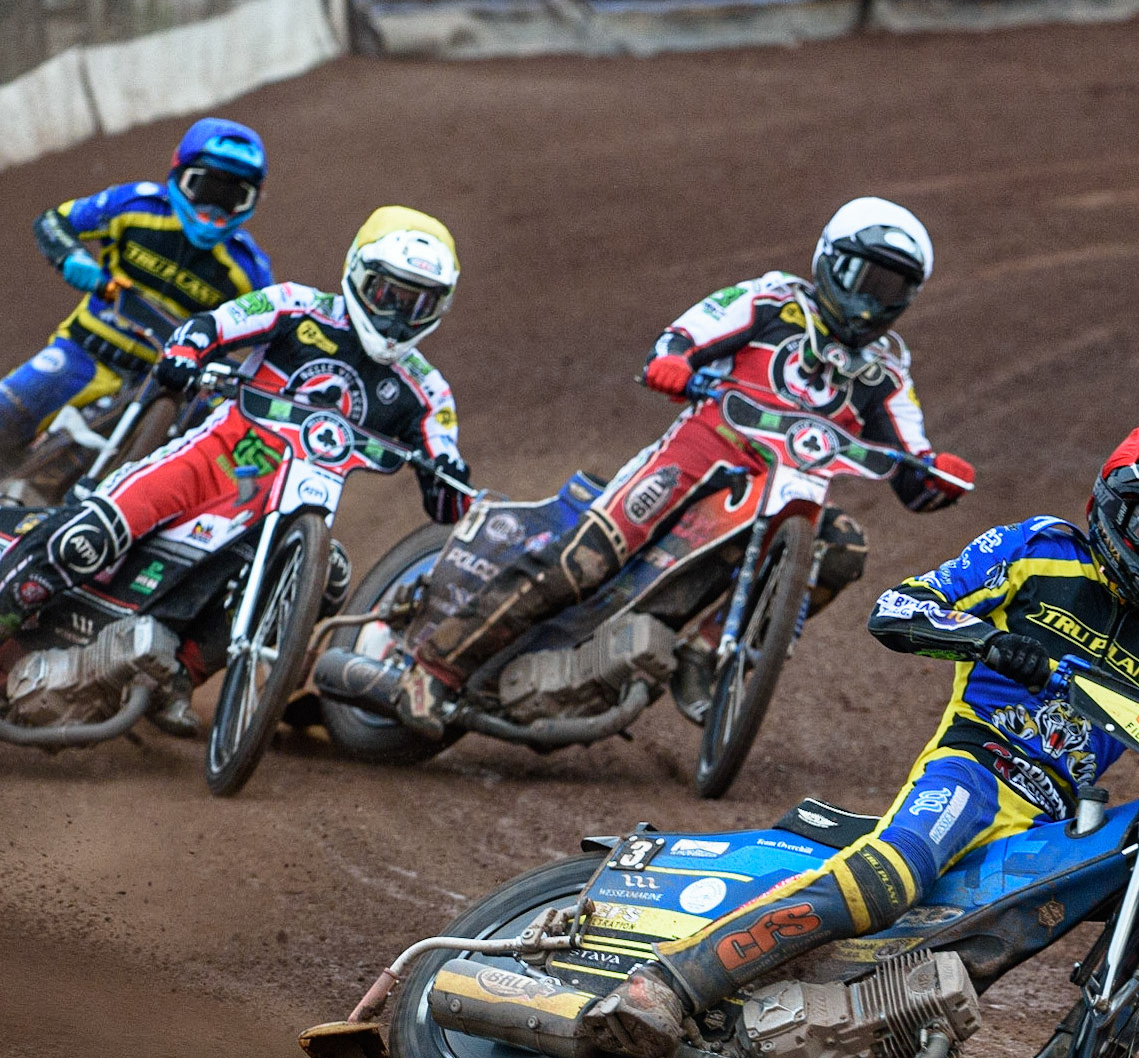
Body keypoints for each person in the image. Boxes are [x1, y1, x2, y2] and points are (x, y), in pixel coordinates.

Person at [583, 424, 1139, 1058]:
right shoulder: (1038, 549)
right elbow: (899, 606)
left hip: (1061, 818)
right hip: (975, 769)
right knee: (891, 878)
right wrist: (990, 644)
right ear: (1110, 507)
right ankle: (668, 985)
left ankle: (1103, 1049)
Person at [397, 196, 975, 735]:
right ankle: (434, 667)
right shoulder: (773, 301)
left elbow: (913, 467)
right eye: (864, 279)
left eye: (891, 287)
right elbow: (685, 335)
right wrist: (673, 361)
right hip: (698, 458)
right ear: (831, 259)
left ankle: (710, 649)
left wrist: (937, 476)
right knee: (582, 563)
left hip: (789, 492)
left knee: (844, 545)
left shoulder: (887, 370)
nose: (871, 300)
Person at [0, 207, 470, 730]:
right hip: (205, 464)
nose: (398, 316)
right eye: (389, 294)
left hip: (285, 512)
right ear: (356, 272)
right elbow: (214, 324)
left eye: (418, 304)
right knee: (88, 535)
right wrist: (189, 349)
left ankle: (179, 675)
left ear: (440, 308)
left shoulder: (427, 390)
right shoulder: (298, 306)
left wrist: (451, 476)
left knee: (329, 574)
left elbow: (447, 482)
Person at [0, 117, 274, 493]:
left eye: (231, 198)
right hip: (82, 355)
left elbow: (266, 351)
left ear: (251, 203)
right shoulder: (135, 207)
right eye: (205, 189)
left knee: (98, 488)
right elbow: (54, 221)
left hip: (157, 393)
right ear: (178, 173)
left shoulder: (247, 271)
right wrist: (74, 259)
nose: (212, 211)